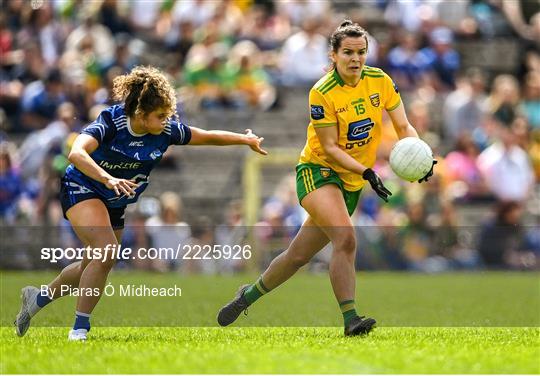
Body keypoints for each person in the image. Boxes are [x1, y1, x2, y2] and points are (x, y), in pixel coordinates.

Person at [14, 65, 266, 341]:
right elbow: (76, 153)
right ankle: (80, 329)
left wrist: (244, 139)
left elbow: (204, 135)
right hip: (83, 187)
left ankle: (37, 299)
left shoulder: (164, 130)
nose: (166, 120)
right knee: (106, 250)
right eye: (160, 115)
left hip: (115, 201)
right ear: (140, 114)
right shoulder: (112, 122)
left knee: (93, 264)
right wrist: (107, 178)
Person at [217, 20, 436, 336]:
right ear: (333, 55)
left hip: (351, 183)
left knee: (297, 256)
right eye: (348, 52)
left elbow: (404, 128)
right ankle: (351, 319)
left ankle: (246, 296)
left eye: (361, 52)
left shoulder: (381, 82)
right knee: (346, 238)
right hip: (317, 174)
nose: (355, 59)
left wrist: (420, 155)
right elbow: (330, 148)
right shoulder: (322, 92)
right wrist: (367, 171)